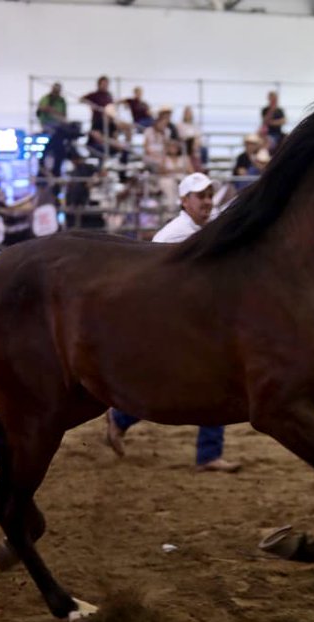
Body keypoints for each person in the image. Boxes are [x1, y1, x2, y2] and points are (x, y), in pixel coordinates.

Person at [105, 172, 242, 473]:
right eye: (200, 196)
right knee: (191, 382)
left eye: (209, 195)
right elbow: (149, 281)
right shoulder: (171, 236)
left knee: (210, 382)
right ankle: (123, 417)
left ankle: (206, 453)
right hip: (173, 322)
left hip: (198, 321)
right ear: (184, 201)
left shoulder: (209, 225)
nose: (207, 202)